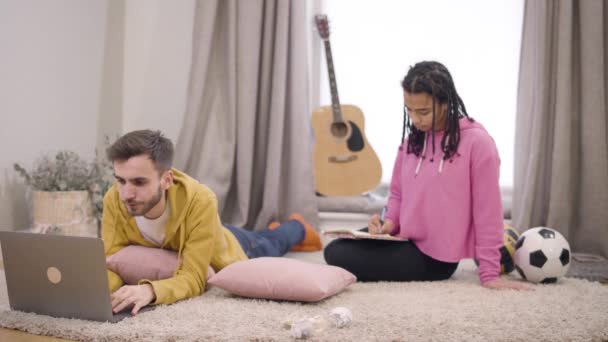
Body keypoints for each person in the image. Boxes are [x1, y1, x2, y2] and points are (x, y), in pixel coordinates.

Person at [324, 61, 527, 290]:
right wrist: (386, 223)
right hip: (402, 238)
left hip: (435, 260)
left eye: (423, 111)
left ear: (445, 103)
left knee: (341, 257)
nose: (415, 119)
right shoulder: (411, 142)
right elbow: (398, 194)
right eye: (409, 110)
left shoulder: (478, 143)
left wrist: (490, 274)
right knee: (334, 249)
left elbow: (487, 210)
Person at [103, 130, 323, 315]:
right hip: (202, 233)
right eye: (121, 180)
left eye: (139, 182)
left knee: (269, 243)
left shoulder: (200, 199)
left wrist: (150, 291)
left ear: (166, 180)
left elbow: (194, 278)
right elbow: (111, 260)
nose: (126, 194)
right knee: (263, 237)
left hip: (229, 246)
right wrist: (100, 290)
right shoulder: (114, 199)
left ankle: (298, 226)